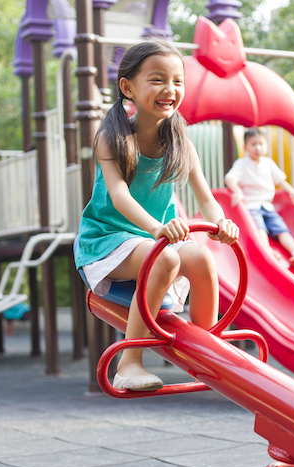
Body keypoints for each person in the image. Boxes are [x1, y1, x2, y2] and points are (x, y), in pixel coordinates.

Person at [75, 40, 239, 392]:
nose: (170, 89)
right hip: (107, 239)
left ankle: (207, 351)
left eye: (178, 81)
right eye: (157, 80)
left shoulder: (181, 142)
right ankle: (129, 362)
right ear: (128, 87)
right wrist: (156, 228)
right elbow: (118, 196)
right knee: (162, 257)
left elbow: (206, 199)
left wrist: (220, 222)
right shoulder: (113, 138)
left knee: (199, 256)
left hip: (153, 240)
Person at [224, 129, 294, 267]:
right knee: (260, 227)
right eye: (253, 144)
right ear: (245, 148)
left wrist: (293, 191)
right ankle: (267, 250)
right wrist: (238, 191)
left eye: (261, 144)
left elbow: (280, 181)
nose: (258, 148)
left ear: (266, 147)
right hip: (251, 206)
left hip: (268, 206)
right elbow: (230, 179)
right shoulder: (241, 164)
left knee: (281, 228)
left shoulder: (268, 163)